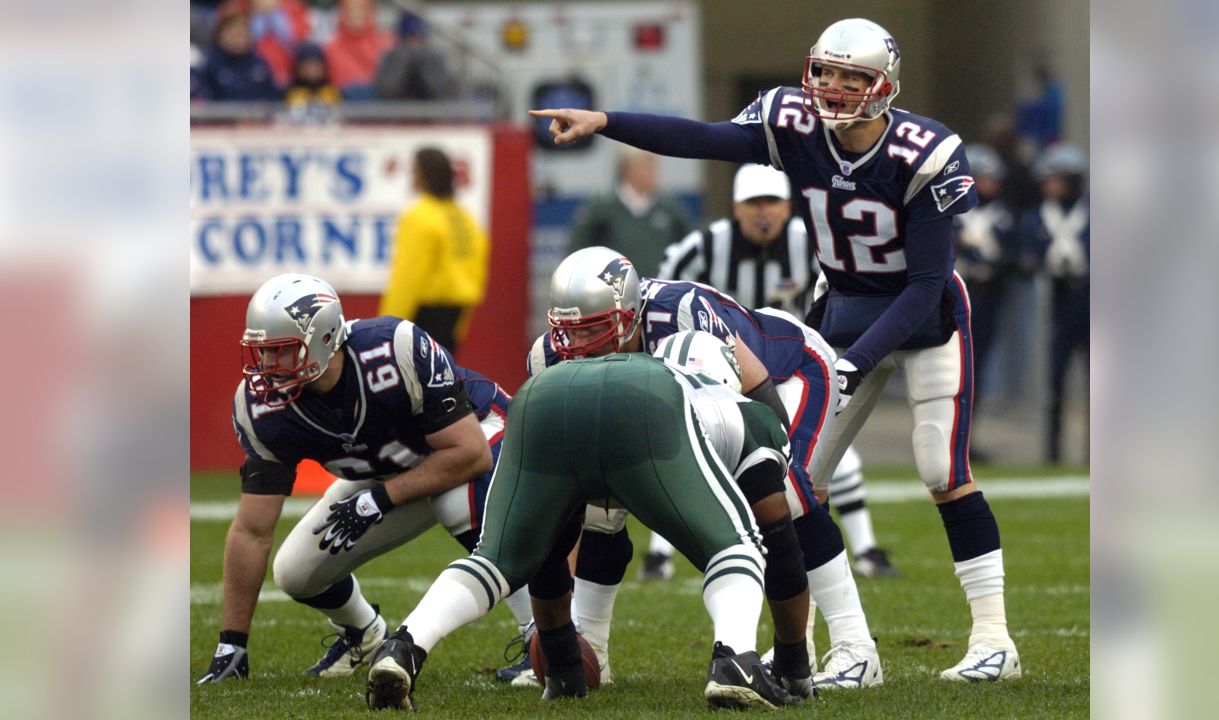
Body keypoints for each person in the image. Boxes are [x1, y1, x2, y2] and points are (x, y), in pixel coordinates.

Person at [530, 17, 1022, 681]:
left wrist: (856, 362)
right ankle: (832, 649)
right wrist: (606, 120)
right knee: (796, 489)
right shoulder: (793, 123)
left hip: (926, 320)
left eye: (853, 78)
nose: (836, 88)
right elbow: (701, 139)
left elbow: (925, 282)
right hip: (843, 309)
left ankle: (993, 639)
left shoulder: (922, 151)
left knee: (941, 470)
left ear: (884, 85)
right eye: (827, 72)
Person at [364, 347, 805, 711]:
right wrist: (794, 662)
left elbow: (554, 554)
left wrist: (562, 663)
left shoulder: (613, 365)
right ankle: (735, 659)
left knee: (496, 559)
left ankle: (404, 647)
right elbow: (779, 536)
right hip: (647, 410)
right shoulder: (742, 410)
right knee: (739, 545)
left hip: (541, 398)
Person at [523, 247, 882, 690]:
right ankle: (591, 646)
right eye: (568, 331)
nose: (577, 346)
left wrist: (769, 462)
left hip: (787, 374)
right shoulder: (550, 359)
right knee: (600, 507)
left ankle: (856, 646)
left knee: (784, 496)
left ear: (628, 315)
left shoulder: (682, 315)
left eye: (594, 329)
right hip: (709, 402)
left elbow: (757, 394)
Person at [197, 273, 532, 683]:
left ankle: (542, 639)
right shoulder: (262, 410)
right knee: (296, 571)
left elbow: (469, 454)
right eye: (261, 353)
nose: (267, 367)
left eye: (281, 352)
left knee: (453, 498)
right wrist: (232, 643)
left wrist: (379, 499)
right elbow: (252, 529)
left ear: (321, 341)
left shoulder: (393, 349)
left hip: (483, 435)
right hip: (395, 468)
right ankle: (364, 632)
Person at [658, 162, 899, 579]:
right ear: (736, 207)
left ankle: (867, 549)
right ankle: (660, 554)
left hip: (791, 367)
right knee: (685, 449)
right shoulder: (703, 248)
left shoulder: (812, 245)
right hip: (714, 373)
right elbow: (662, 287)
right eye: (753, 203)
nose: (763, 212)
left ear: (789, 207)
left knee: (827, 458)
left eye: (771, 202)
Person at [379, 147, 490, 355]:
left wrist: (386, 326)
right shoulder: (465, 218)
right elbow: (474, 274)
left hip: (422, 316)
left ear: (422, 175)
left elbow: (407, 276)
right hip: (455, 315)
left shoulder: (419, 217)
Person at [1018, 143, 1089, 464]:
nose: (1048, 184)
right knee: (1054, 383)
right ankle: (1053, 453)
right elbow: (1025, 252)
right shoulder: (1039, 216)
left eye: (1055, 178)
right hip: (1056, 303)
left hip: (1090, 302)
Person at [953, 145, 1018, 441]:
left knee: (975, 369)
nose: (992, 183)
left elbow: (1013, 253)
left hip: (988, 294)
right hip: (956, 297)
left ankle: (966, 439)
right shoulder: (953, 208)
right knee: (950, 371)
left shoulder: (1002, 213)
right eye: (985, 176)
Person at [567, 148, 694, 277]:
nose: (654, 172)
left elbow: (690, 249)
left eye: (655, 166)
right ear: (628, 169)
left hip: (661, 291)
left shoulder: (670, 208)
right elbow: (578, 252)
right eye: (646, 166)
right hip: (615, 292)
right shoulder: (601, 208)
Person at [194, 9, 280, 102]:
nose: (238, 34)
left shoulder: (259, 63)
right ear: (220, 34)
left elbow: (273, 99)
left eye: (243, 30)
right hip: (220, 116)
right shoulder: (209, 64)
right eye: (232, 29)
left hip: (255, 116)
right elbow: (202, 100)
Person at [375, 12, 459, 101]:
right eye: (410, 39)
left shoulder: (433, 57)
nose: (414, 44)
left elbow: (444, 94)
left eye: (418, 38)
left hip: (430, 112)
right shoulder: (391, 58)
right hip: (397, 112)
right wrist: (403, 61)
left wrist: (424, 64)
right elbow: (386, 92)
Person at [324, 0, 393, 99]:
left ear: (370, 13)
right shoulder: (330, 48)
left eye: (360, 11)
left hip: (379, 106)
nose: (355, 16)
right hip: (342, 104)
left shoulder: (386, 45)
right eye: (350, 11)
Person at [283, 42, 342, 112]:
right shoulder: (289, 94)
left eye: (316, 65)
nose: (311, 70)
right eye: (306, 66)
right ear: (297, 68)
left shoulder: (333, 92)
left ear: (324, 67)